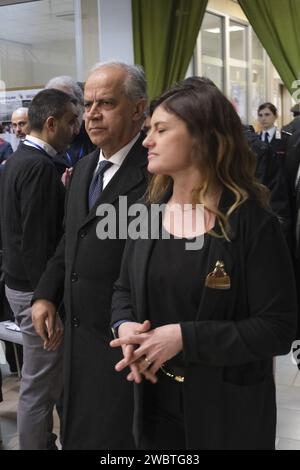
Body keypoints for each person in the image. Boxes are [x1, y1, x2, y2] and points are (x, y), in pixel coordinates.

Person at [110, 77, 297, 450]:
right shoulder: (148, 213)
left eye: (160, 130)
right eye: (149, 131)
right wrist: (125, 324)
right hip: (154, 403)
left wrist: (184, 338)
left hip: (225, 412)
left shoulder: (251, 223)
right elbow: (123, 289)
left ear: (203, 136)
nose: (147, 141)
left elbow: (277, 328)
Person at [31, 61, 149, 449]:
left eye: (107, 103)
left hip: (124, 343)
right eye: (88, 103)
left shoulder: (156, 177)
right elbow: (70, 240)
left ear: (138, 110)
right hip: (77, 342)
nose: (92, 114)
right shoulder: (82, 169)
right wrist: (47, 293)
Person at [0, 89, 78, 450]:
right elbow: (36, 241)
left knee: (46, 378)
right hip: (34, 291)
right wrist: (46, 298)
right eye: (70, 121)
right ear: (51, 123)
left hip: (21, 284)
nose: (75, 128)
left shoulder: (18, 161)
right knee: (39, 383)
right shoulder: (38, 167)